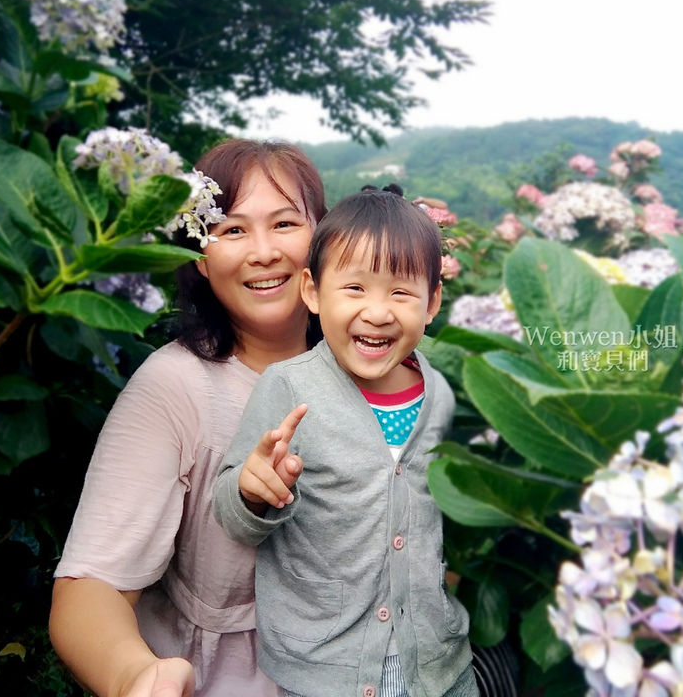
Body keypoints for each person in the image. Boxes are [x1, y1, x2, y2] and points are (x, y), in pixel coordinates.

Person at [49, 139, 327, 697]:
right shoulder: (176, 386)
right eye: (233, 230)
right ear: (200, 258)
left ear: (322, 238)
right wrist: (136, 675)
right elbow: (89, 588)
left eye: (286, 224)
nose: (264, 251)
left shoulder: (374, 368)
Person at [214, 186, 478, 697]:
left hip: (437, 663)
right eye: (354, 288)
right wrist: (251, 490)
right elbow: (230, 512)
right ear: (313, 292)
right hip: (324, 667)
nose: (378, 312)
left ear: (432, 302)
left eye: (401, 293)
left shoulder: (440, 394)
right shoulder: (289, 387)